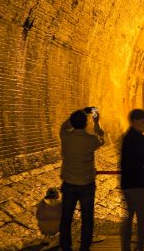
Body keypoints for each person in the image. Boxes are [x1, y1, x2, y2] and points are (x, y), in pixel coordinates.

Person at [59, 107, 105, 251]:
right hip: (86, 184)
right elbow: (101, 138)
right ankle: (84, 248)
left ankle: (66, 247)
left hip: (69, 184)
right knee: (87, 219)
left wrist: (82, 112)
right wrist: (96, 122)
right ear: (86, 124)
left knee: (66, 217)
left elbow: (64, 126)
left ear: (72, 123)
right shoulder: (91, 140)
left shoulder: (65, 136)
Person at [120, 109, 144, 251]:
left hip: (126, 183)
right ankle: (140, 246)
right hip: (137, 184)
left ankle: (125, 246)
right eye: (143, 120)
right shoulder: (142, 140)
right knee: (142, 217)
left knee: (128, 216)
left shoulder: (126, 137)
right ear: (137, 121)